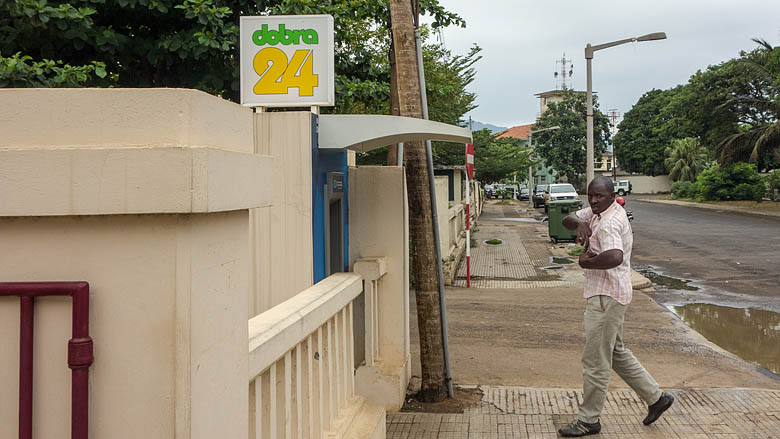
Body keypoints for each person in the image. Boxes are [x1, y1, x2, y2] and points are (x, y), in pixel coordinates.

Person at [557, 177, 673, 437]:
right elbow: (567, 219)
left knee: (596, 360)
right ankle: (656, 398)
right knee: (615, 352)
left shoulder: (609, 221)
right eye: (591, 196)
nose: (594, 200)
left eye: (599, 196)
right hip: (610, 294)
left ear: (611, 195)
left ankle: (589, 420)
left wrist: (585, 263)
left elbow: (615, 256)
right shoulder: (601, 211)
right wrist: (581, 222)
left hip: (606, 297)